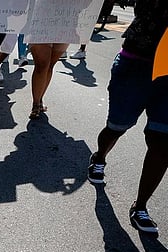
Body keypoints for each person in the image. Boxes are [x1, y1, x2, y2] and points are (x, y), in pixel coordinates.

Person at [88, 0, 168, 233]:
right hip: (138, 62)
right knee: (116, 126)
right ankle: (100, 157)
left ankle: (140, 206)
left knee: (163, 142)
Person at [28, 42, 69, 119]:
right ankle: (36, 104)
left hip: (64, 31)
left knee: (50, 65)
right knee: (42, 65)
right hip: (41, 30)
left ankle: (40, 99)